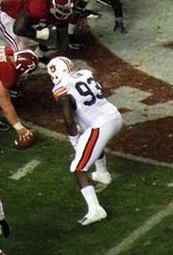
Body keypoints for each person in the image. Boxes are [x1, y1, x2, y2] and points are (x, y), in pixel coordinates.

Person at [46, 56, 122, 226]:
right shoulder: (85, 74)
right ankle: (102, 174)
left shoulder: (61, 87)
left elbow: (68, 119)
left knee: (78, 167)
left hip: (100, 125)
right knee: (90, 137)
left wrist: (74, 141)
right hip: (114, 116)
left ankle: (96, 210)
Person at [0, 0, 73, 60]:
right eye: (61, 8)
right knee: (21, 52)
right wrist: (39, 34)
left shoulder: (52, 10)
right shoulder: (38, 5)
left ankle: (39, 56)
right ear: (52, 3)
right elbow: (18, 29)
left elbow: (62, 32)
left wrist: (62, 53)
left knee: (52, 33)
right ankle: (6, 69)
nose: (64, 12)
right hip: (5, 16)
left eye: (66, 9)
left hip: (24, 20)